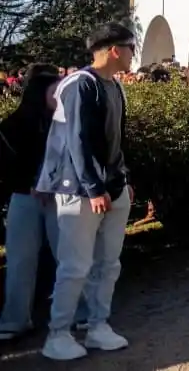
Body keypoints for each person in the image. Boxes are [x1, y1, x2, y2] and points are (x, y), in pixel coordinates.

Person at [37, 24, 135, 361]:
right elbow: (77, 140)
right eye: (130, 46)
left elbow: (116, 140)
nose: (133, 53)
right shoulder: (81, 84)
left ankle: (97, 325)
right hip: (80, 190)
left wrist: (122, 178)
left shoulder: (114, 86)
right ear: (114, 50)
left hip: (111, 186)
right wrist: (94, 188)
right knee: (75, 266)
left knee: (108, 263)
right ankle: (58, 333)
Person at [0, 65, 61, 340]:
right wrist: (31, 183)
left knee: (68, 258)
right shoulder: (12, 126)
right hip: (24, 197)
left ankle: (80, 313)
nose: (59, 97)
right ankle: (15, 320)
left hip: (59, 198)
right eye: (55, 92)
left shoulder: (64, 123)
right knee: (20, 260)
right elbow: (7, 166)